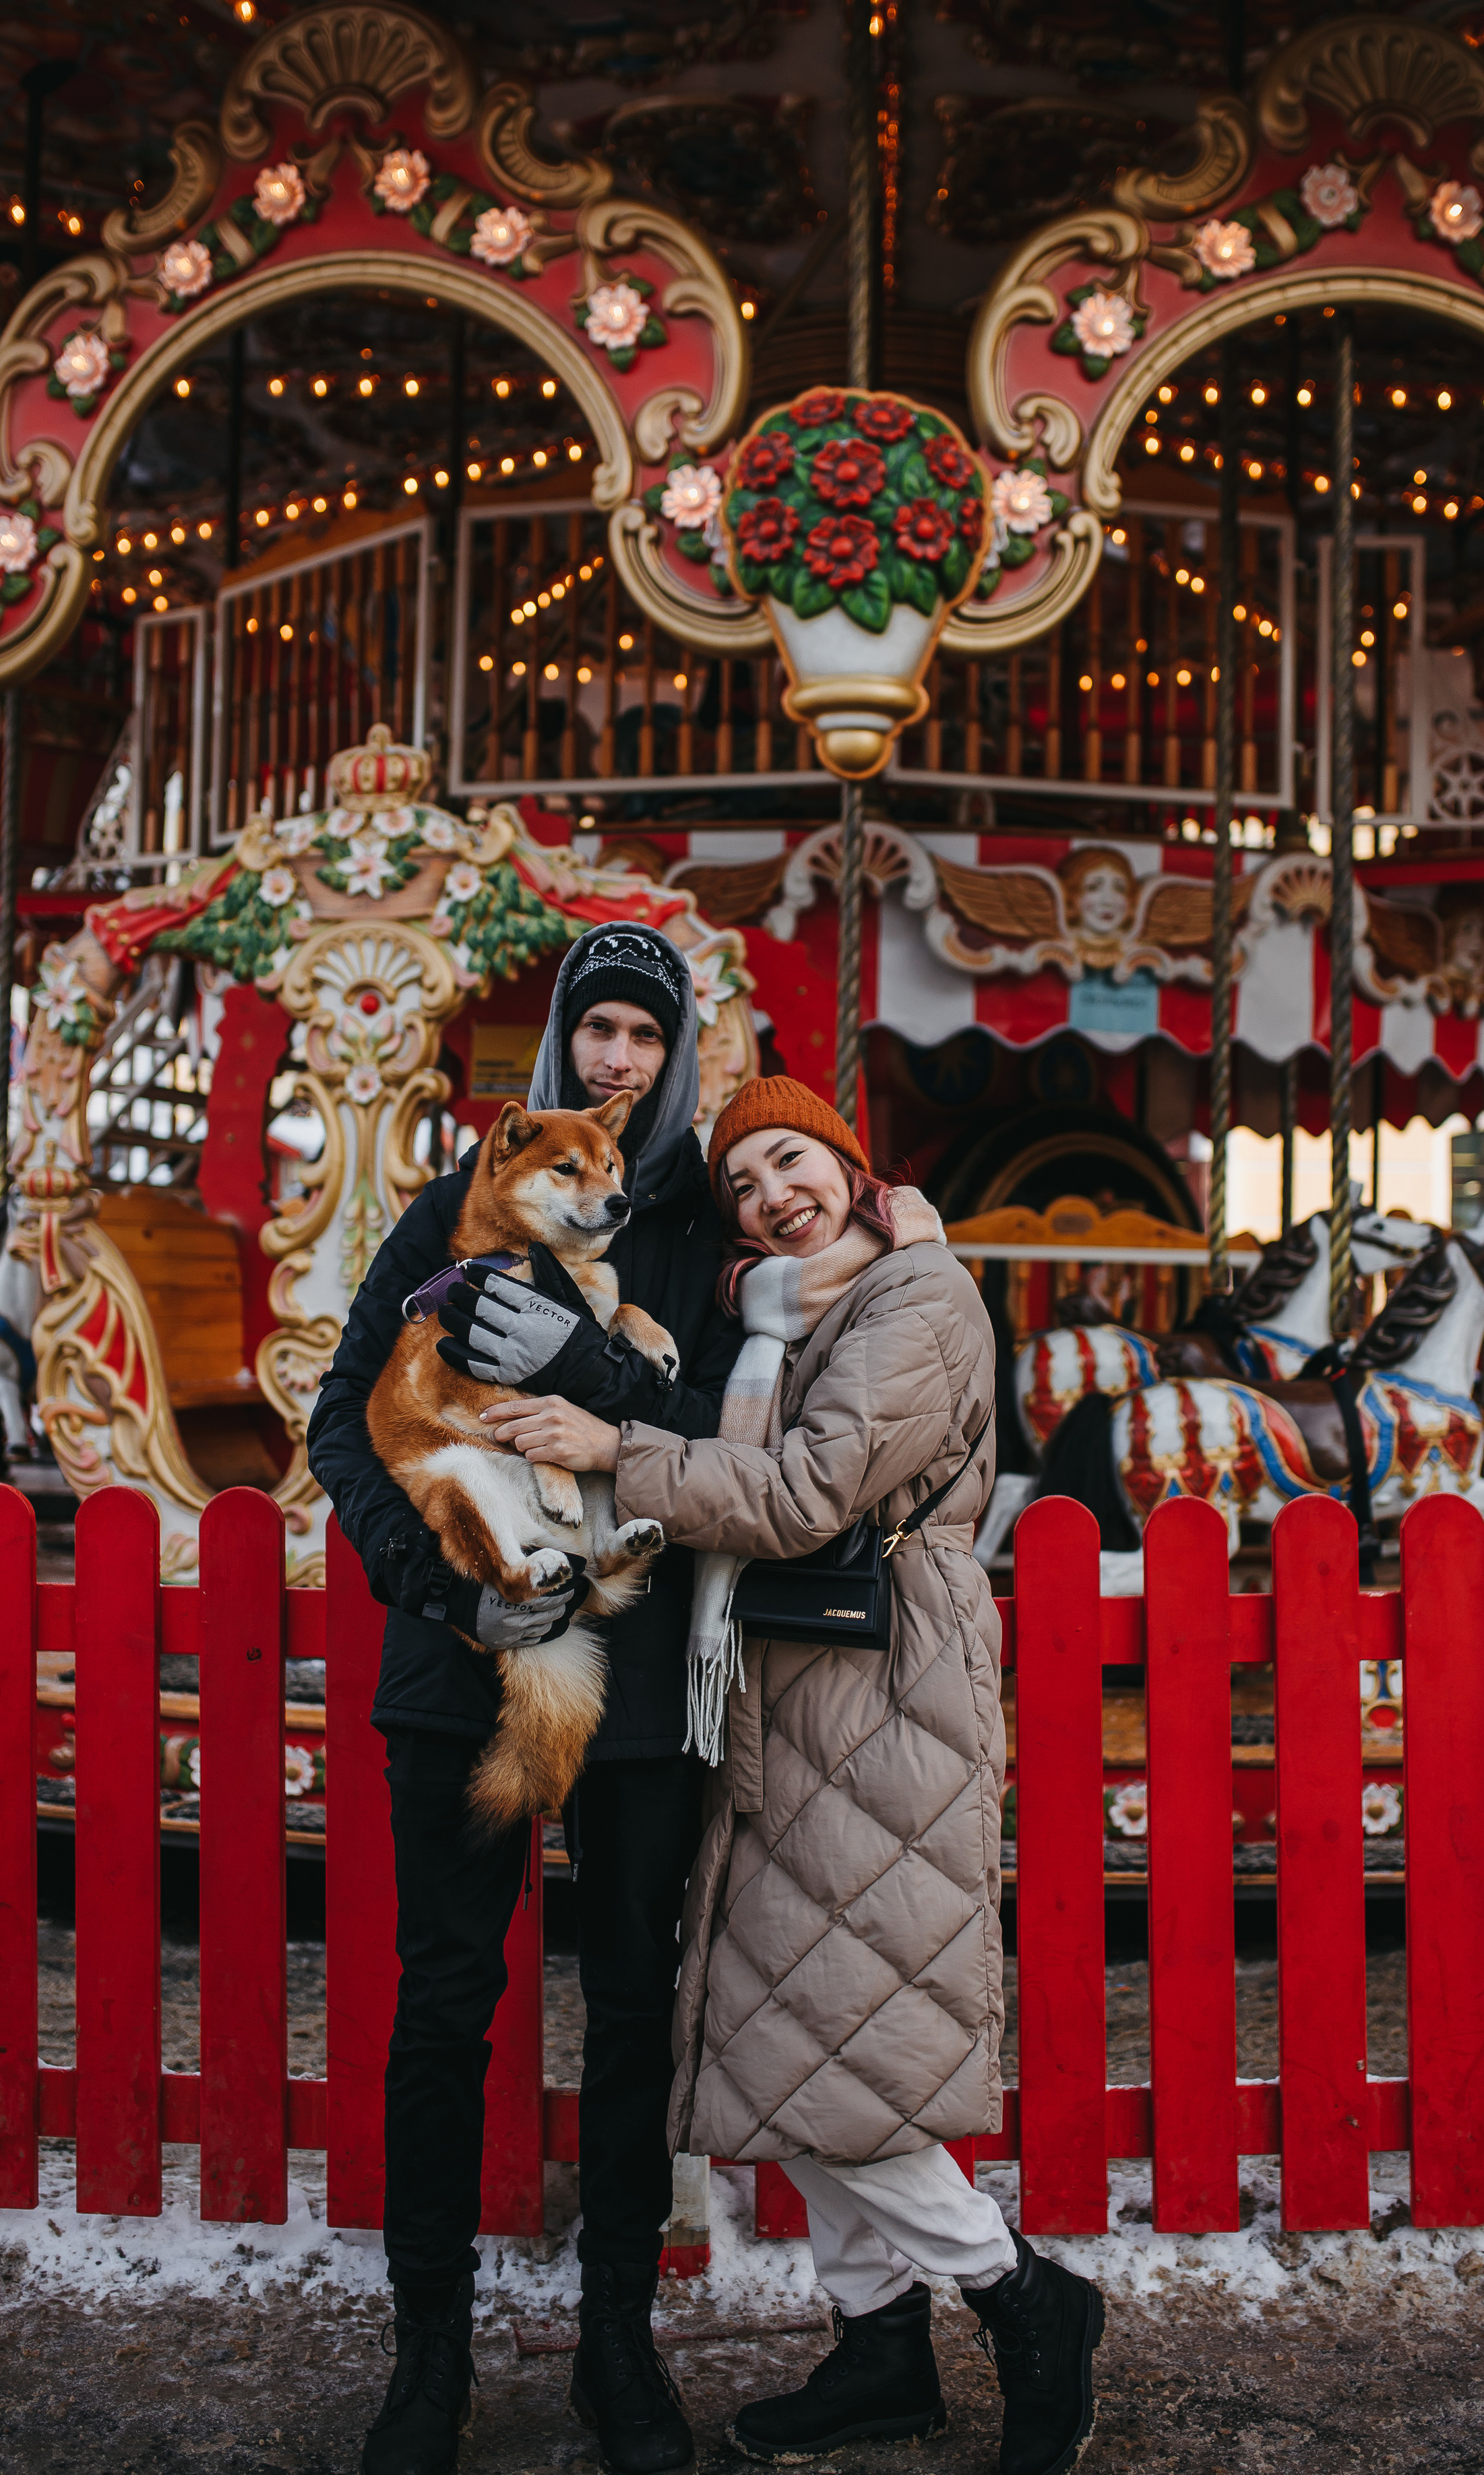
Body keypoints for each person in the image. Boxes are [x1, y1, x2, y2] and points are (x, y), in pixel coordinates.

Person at [485, 1076, 1105, 2475]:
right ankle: (877, 2342)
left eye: (789, 1164)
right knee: (792, 2021)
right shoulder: (796, 1311)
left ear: (844, 1161)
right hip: (798, 1678)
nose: (771, 1198)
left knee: (829, 2022)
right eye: (745, 1188)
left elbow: (803, 1495)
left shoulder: (914, 1301)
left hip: (879, 1687)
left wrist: (616, 1449)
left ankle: (1024, 2297)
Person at [308, 920, 744, 2475]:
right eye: (595, 1032)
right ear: (559, 1046)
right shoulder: (454, 1207)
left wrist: (601, 1370)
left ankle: (615, 2346)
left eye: (642, 1036)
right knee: (443, 2007)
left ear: (674, 1053)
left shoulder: (695, 1229)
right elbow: (341, 1428)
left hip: (625, 1688)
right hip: (457, 1671)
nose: (615, 1061)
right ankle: (427, 2348)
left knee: (628, 2005)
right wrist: (438, 1592)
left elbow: (727, 1438)